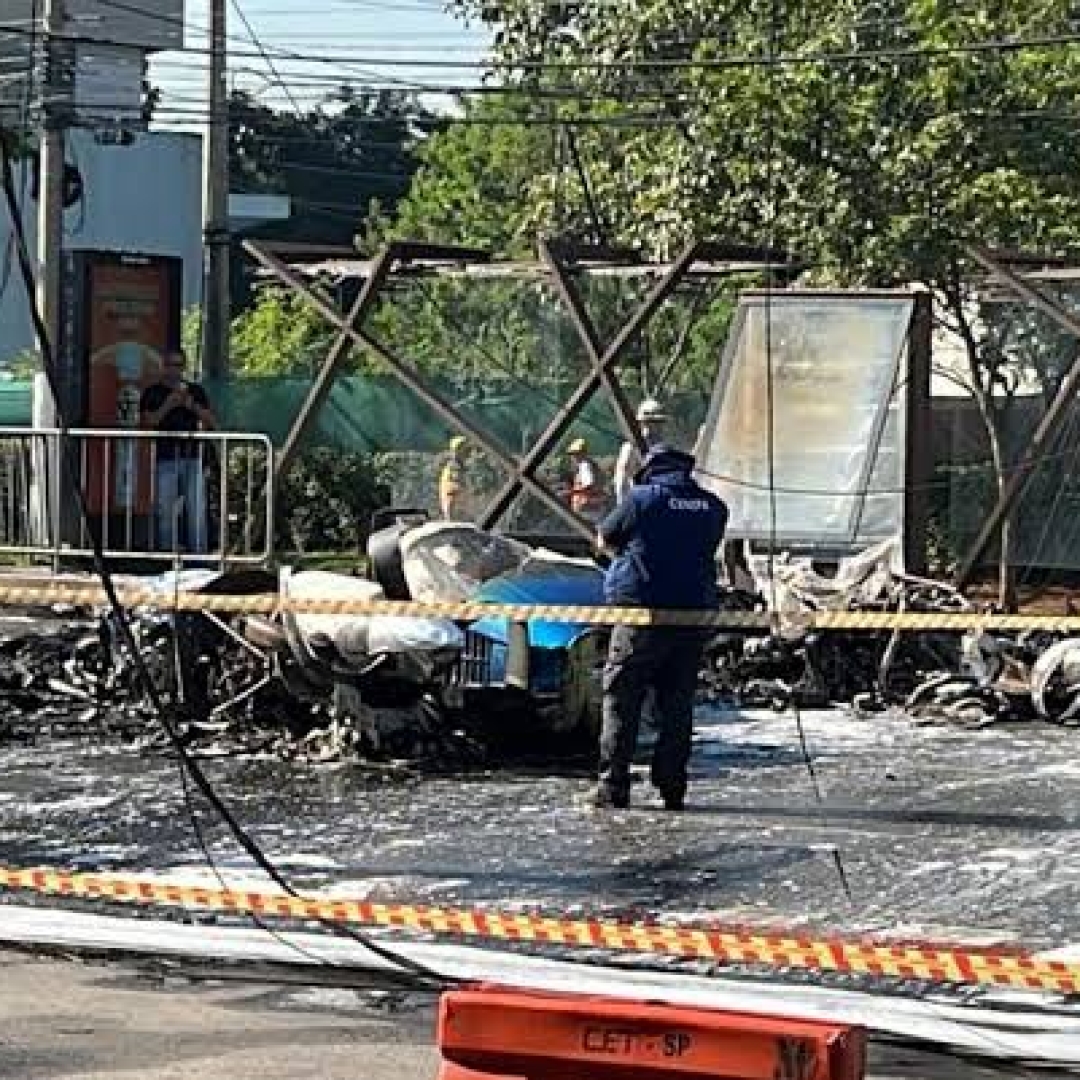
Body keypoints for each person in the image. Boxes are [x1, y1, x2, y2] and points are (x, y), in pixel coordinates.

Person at [594, 444, 728, 811]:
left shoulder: (641, 499)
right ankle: (673, 788)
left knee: (622, 700)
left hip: (640, 618)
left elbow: (605, 538)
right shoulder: (713, 507)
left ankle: (613, 786)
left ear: (651, 469)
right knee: (677, 705)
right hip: (690, 620)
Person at [140, 349, 216, 554]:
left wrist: (191, 405)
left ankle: (198, 555)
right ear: (162, 368)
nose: (174, 371)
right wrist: (168, 404)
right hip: (165, 458)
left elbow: (211, 421)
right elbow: (148, 422)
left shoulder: (195, 391)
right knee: (166, 510)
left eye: (179, 365)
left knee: (196, 509)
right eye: (170, 365)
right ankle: (166, 554)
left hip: (192, 456)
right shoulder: (152, 393)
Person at [613, 398, 669, 502]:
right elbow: (621, 479)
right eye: (655, 422)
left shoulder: (664, 447)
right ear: (644, 423)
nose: (660, 426)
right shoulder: (631, 446)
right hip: (637, 502)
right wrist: (623, 505)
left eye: (660, 422)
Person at [567, 437, 607, 521]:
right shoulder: (592, 464)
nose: (572, 456)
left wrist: (569, 493)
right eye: (572, 454)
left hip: (587, 509)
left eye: (574, 453)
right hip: (596, 507)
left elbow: (589, 485)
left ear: (582, 453)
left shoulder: (584, 465)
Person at [438, 435, 469, 520]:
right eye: (463, 448)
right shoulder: (452, 467)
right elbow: (450, 488)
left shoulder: (459, 465)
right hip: (452, 500)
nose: (466, 451)